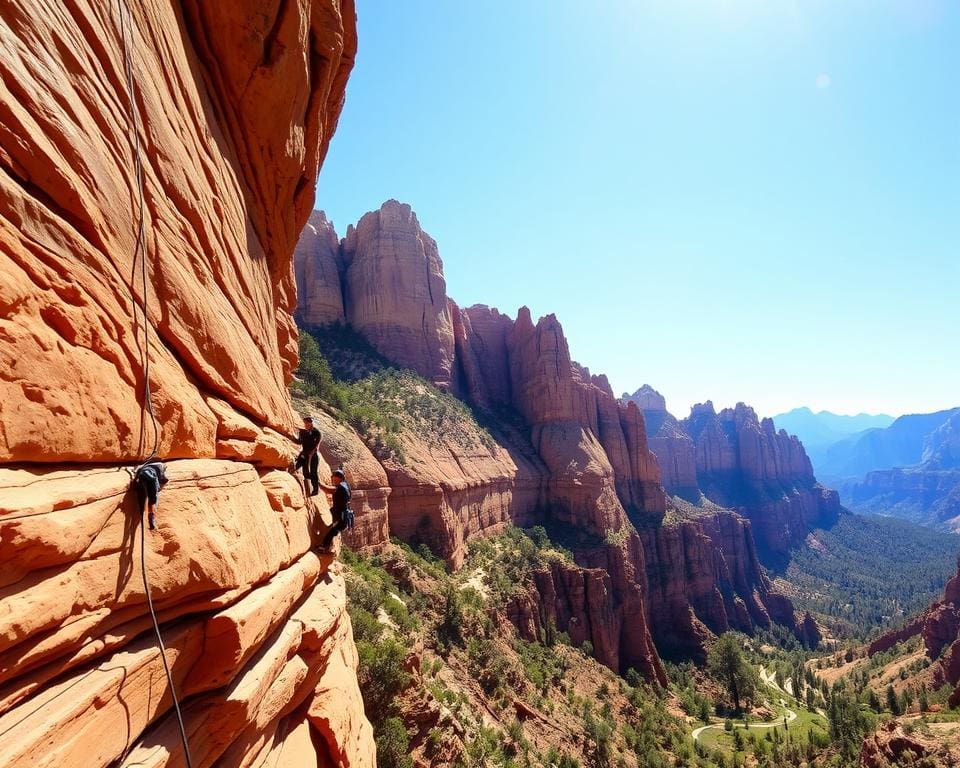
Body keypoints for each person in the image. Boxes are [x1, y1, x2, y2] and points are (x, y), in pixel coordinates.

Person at [317, 468, 351, 551]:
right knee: (333, 530)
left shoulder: (341, 487)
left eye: (335, 477)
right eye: (333, 477)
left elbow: (327, 490)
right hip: (341, 513)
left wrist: (317, 482)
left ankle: (324, 547)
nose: (333, 479)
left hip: (341, 516)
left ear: (340, 478)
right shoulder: (345, 485)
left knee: (333, 530)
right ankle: (329, 546)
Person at [134, 460, 169, 530]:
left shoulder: (146, 466)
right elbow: (164, 480)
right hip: (152, 478)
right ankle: (151, 515)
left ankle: (144, 509)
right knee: (153, 499)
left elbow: (137, 472)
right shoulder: (161, 467)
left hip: (143, 475)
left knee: (143, 494)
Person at [297, 415, 322, 496]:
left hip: (313, 456)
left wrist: (309, 455)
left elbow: (316, 446)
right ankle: (306, 491)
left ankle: (315, 490)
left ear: (311, 423)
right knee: (297, 467)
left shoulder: (316, 432)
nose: (306, 425)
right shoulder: (303, 432)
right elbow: (299, 442)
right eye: (305, 423)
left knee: (313, 473)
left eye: (307, 423)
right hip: (304, 454)